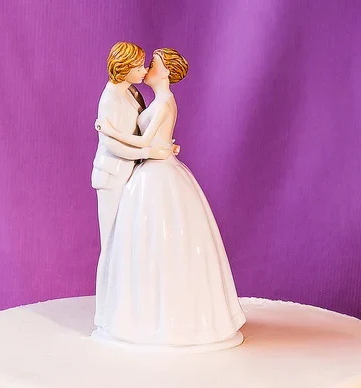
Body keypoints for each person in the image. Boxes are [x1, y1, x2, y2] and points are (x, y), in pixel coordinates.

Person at [93, 48, 245, 350]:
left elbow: (144, 138)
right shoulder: (125, 96)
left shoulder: (157, 102)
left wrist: (112, 132)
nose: (146, 67)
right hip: (131, 171)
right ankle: (114, 315)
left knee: (151, 242)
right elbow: (143, 142)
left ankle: (153, 315)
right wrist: (117, 135)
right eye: (142, 65)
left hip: (153, 171)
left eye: (152, 64)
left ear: (164, 72)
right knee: (120, 245)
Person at [91, 42, 174, 326]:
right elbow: (110, 144)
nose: (144, 70)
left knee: (125, 242)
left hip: (131, 174)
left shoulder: (132, 91)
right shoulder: (110, 99)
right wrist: (147, 153)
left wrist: (161, 144)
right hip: (112, 174)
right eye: (138, 66)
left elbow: (141, 128)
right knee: (111, 244)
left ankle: (124, 309)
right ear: (123, 69)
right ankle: (104, 314)